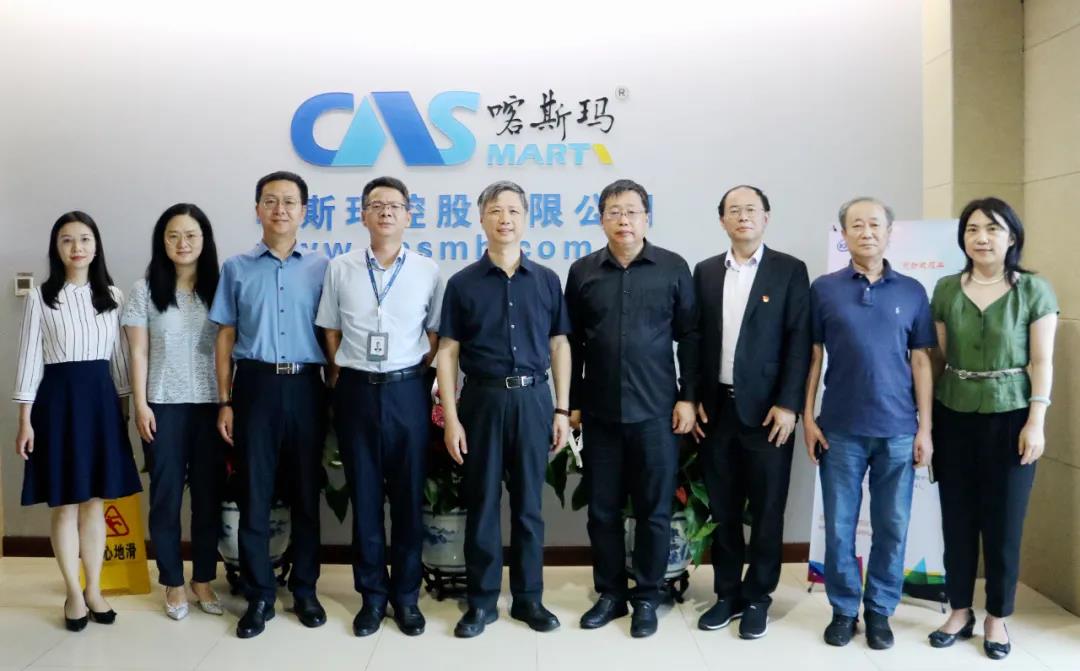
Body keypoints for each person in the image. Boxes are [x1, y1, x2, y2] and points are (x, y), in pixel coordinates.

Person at [436, 180, 571, 638]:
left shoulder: (547, 280)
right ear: (481, 218)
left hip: (534, 400)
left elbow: (559, 344)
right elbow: (448, 351)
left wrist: (561, 410)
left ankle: (529, 599)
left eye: (513, 210)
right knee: (482, 504)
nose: (505, 218)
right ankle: (481, 603)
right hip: (482, 401)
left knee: (530, 506)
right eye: (495, 210)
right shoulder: (462, 284)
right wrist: (451, 418)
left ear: (527, 218)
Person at [565, 178, 699, 638]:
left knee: (654, 511)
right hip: (600, 414)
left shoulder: (672, 267)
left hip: (657, 412)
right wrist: (572, 403)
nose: (623, 220)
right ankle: (610, 595)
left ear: (646, 217)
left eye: (632, 211)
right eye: (614, 212)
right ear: (601, 218)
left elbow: (690, 337)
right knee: (601, 511)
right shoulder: (583, 272)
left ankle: (646, 597)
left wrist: (688, 396)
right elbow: (572, 343)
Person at [927, 198, 1057, 660]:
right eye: (972, 229)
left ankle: (997, 617)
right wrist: (924, 422)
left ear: (1012, 236)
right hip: (954, 413)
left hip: (1013, 418)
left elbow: (1042, 361)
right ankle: (959, 611)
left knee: (1004, 523)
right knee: (957, 518)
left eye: (993, 229)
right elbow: (937, 360)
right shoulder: (946, 289)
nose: (981, 238)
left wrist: (1036, 421)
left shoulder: (1034, 290)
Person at [803, 197, 935, 650]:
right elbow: (814, 356)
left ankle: (879, 610)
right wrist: (807, 417)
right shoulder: (824, 289)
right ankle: (844, 610)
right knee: (840, 527)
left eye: (875, 224)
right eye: (856, 225)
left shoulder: (912, 291)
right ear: (843, 234)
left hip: (898, 430)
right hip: (839, 429)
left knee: (892, 525)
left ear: (889, 232)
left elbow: (921, 361)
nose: (866, 232)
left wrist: (925, 429)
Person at [316, 176, 443, 637]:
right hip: (356, 391)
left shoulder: (428, 270)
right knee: (365, 498)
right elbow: (330, 329)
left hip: (408, 390)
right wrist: (341, 374)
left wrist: (413, 373)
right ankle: (371, 597)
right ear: (363, 214)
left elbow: (434, 334)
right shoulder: (341, 268)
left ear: (408, 215)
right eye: (376, 205)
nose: (386, 212)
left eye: (394, 205)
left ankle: (406, 598)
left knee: (409, 499)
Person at [209, 171, 329, 639]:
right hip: (255, 387)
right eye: (271, 201)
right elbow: (225, 336)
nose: (280, 209)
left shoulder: (322, 268)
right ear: (257, 208)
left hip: (306, 387)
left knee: (305, 494)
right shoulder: (237, 268)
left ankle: (305, 589)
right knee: (254, 495)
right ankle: (259, 594)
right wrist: (225, 400)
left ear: (304, 211)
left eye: (290, 202)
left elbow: (332, 336)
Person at [692, 185, 810, 639]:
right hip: (717, 410)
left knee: (766, 511)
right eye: (734, 210)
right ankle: (727, 594)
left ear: (766, 217)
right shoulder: (705, 271)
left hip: (769, 414)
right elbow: (695, 339)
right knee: (723, 510)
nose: (743, 216)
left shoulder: (788, 270)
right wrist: (693, 396)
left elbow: (799, 340)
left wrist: (789, 404)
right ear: (722, 220)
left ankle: (758, 597)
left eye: (751, 210)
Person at [13, 211, 142, 631]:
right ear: (56, 248)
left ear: (96, 245)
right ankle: (72, 591)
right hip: (57, 405)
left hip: (101, 405)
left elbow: (120, 360)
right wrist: (25, 420)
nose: (77, 247)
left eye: (85, 239)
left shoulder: (113, 295)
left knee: (95, 503)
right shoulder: (41, 296)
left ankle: (94, 589)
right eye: (67, 240)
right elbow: (29, 359)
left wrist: (125, 412)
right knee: (66, 503)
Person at [122, 203, 223, 620]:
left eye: (191, 235)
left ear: (204, 240)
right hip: (162, 406)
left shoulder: (221, 288)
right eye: (173, 235)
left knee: (208, 497)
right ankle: (172, 581)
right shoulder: (144, 290)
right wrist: (141, 404)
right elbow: (138, 352)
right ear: (161, 241)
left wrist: (229, 402)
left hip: (212, 406)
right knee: (165, 497)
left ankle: (203, 578)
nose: (182, 243)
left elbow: (232, 348)